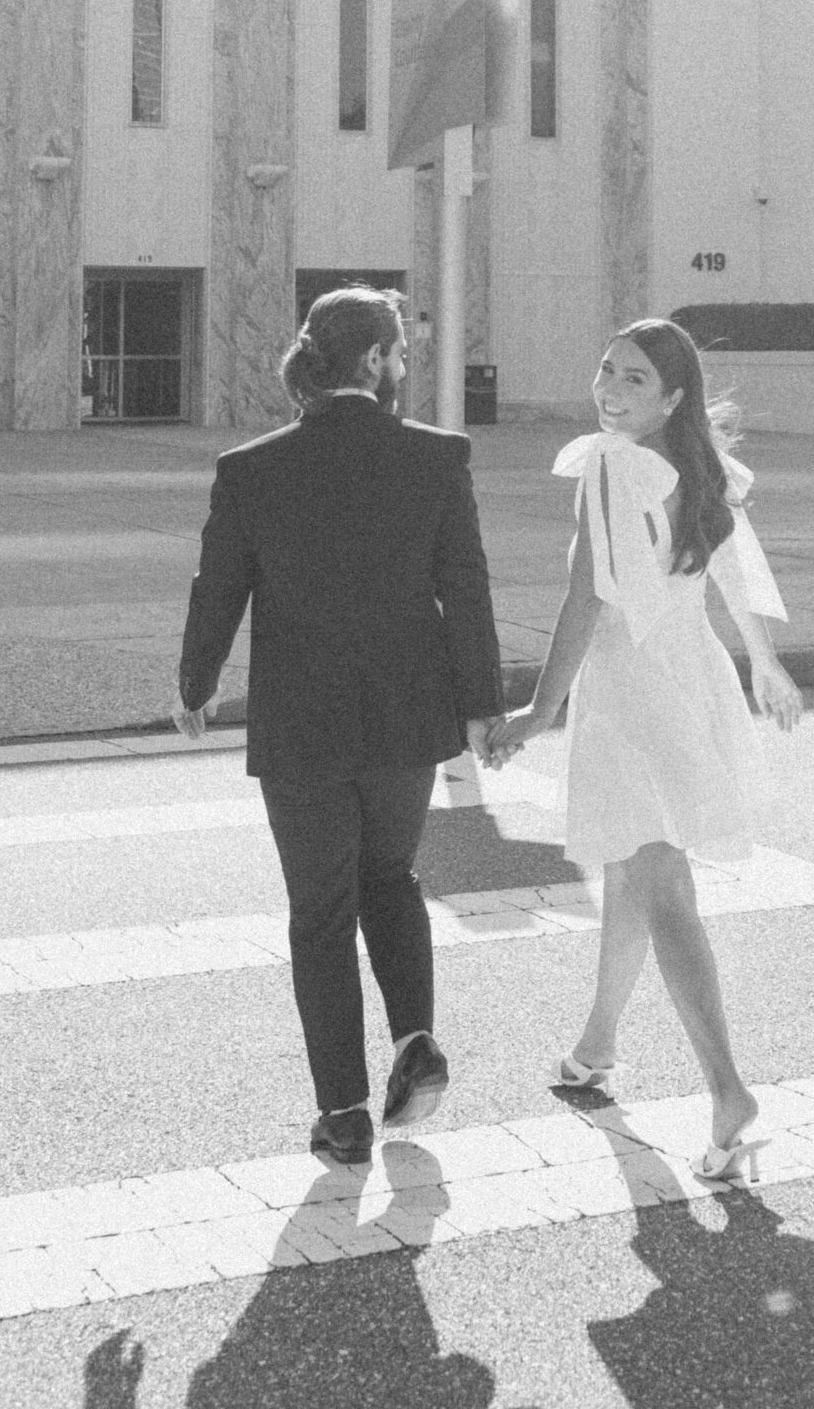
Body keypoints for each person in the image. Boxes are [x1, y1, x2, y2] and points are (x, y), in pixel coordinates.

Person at [176, 286, 507, 1168]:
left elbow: (219, 588)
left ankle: (344, 1113)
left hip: (300, 721)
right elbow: (465, 585)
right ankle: (415, 1034)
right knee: (390, 877)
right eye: (399, 352)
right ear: (372, 362)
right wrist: (482, 705)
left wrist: (196, 682)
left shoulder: (250, 468)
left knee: (319, 911)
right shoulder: (437, 458)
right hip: (407, 714)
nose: (403, 367)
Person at [488, 317, 802, 1182]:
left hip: (632, 690)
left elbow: (587, 596)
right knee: (630, 866)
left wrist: (539, 705)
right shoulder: (692, 459)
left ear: (671, 396)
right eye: (605, 371)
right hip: (686, 677)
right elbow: (731, 572)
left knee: (662, 885)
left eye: (632, 380)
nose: (608, 390)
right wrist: (762, 663)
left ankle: (728, 1091)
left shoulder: (610, 463)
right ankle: (594, 1048)